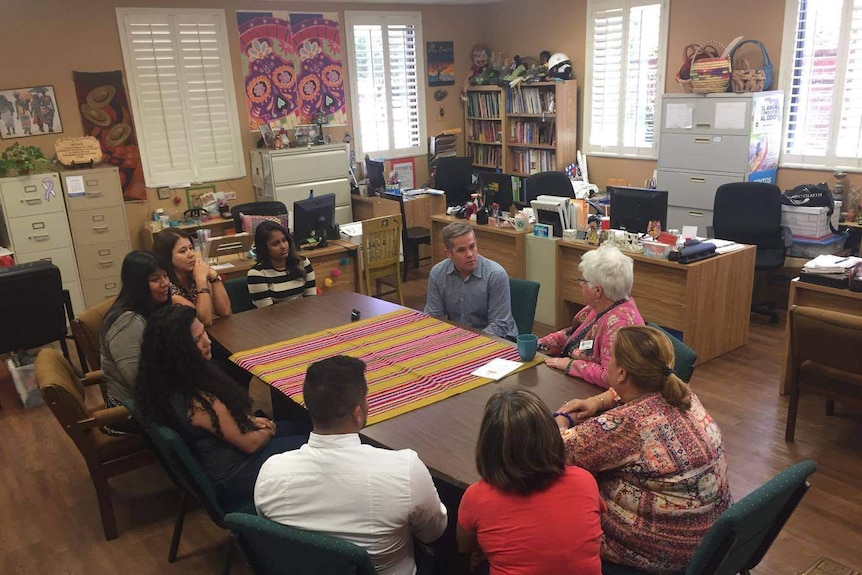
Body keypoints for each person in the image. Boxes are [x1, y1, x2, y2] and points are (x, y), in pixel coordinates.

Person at [555, 326, 731, 574]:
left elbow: (557, 451)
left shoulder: (627, 425)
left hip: (663, 553)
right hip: (711, 542)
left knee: (553, 499)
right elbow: (627, 393)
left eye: (611, 357)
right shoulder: (683, 394)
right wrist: (599, 401)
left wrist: (562, 419)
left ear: (622, 372)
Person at [255, 356, 448, 575]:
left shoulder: (270, 473)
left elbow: (272, 534)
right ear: (358, 412)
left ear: (309, 406)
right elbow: (433, 533)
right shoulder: (405, 470)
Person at [136, 305, 308, 504]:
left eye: (204, 334)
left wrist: (250, 421)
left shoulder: (167, 384)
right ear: (179, 351)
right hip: (241, 475)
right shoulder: (199, 401)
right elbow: (250, 444)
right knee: (316, 444)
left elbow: (225, 426)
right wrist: (269, 429)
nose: (207, 341)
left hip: (226, 460)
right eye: (197, 339)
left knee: (301, 425)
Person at [457, 390, 604, 575]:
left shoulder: (476, 497)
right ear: (550, 434)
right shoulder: (584, 480)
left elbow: (464, 546)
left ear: (488, 445)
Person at [539, 245, 643, 387]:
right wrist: (539, 344)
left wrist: (571, 365)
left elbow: (610, 377)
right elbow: (571, 335)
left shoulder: (619, 325)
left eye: (584, 281)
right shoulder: (602, 306)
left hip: (595, 392)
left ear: (597, 291)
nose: (581, 284)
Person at [99, 251, 172, 434]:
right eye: (155, 279)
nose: (165, 283)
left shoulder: (149, 309)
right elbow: (140, 380)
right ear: (138, 284)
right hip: (129, 412)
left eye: (165, 276)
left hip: (152, 397)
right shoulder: (127, 322)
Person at [424, 222, 517, 340]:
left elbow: (499, 326)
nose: (470, 254)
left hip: (498, 340)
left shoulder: (495, 274)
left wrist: (466, 344)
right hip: (459, 338)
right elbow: (434, 318)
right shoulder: (438, 273)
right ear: (448, 254)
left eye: (472, 247)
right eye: (461, 250)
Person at [152, 227, 231, 326]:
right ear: (166, 257)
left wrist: (214, 276)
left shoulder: (194, 275)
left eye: (191, 248)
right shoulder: (168, 288)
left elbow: (224, 311)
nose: (191, 254)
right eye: (182, 251)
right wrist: (201, 280)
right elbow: (204, 320)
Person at [247, 220, 316, 308]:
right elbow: (267, 313)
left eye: (284, 240)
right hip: (274, 320)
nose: (283, 246)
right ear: (264, 248)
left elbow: (312, 300)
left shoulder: (303, 263)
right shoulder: (257, 274)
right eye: (275, 244)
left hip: (304, 317)